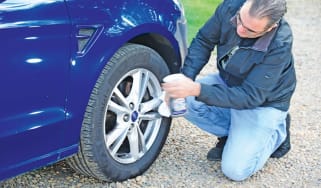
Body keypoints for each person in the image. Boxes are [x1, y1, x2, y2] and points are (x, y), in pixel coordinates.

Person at [162, 0, 296, 181]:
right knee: (181, 100)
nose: (240, 30)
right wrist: (186, 79)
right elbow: (204, 40)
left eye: (251, 31)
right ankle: (235, 136)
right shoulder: (232, 6)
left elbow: (250, 97)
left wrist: (195, 89)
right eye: (240, 20)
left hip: (263, 102)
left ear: (271, 28)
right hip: (228, 82)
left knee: (236, 170)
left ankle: (277, 132)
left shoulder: (279, 43)